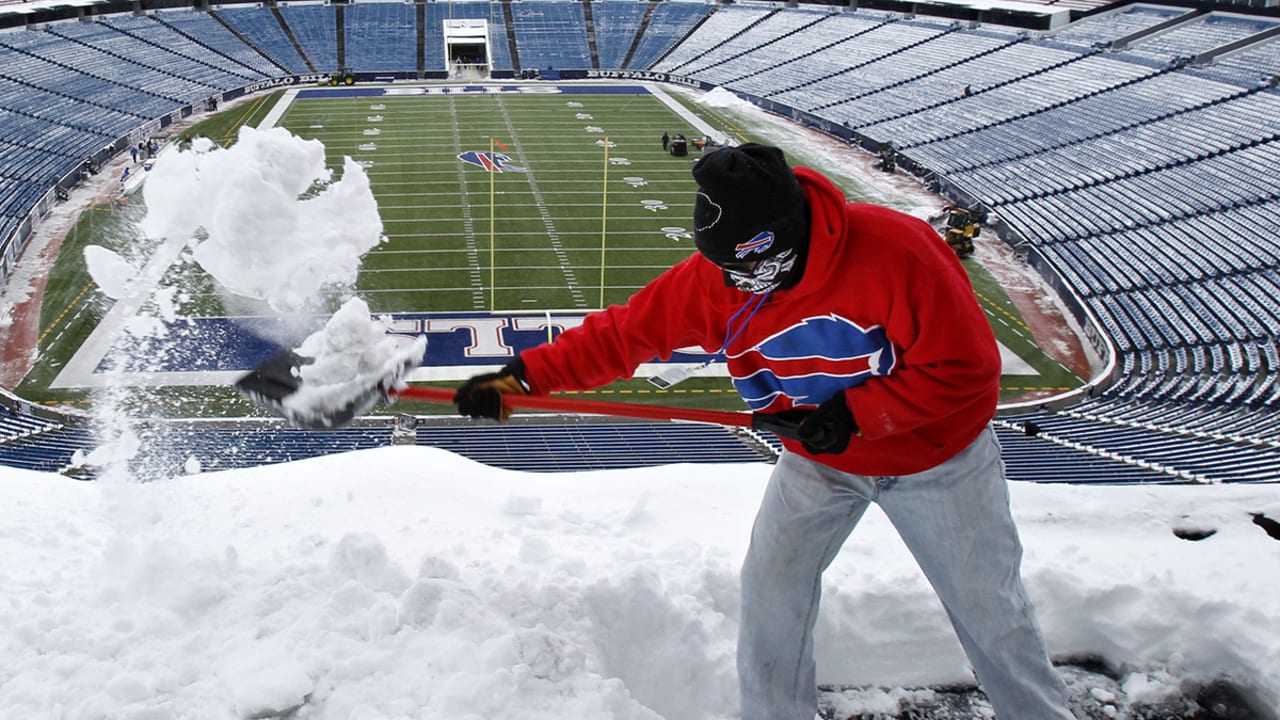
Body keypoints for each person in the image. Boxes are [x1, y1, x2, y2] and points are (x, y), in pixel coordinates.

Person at [454, 143, 1075, 720]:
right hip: (821, 462)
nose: (733, 286)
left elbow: (967, 371)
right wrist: (519, 380)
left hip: (937, 460)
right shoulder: (717, 280)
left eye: (747, 270)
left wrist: (854, 416)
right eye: (722, 270)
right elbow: (622, 335)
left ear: (787, 238)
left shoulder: (898, 251)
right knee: (771, 594)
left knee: (989, 612)